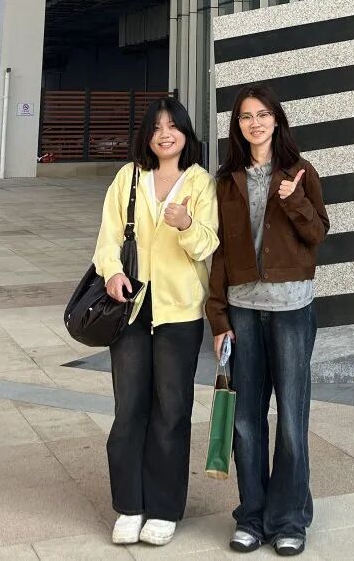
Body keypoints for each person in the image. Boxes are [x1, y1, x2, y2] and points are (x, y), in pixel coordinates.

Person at [206, 84, 329, 556]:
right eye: (245, 117)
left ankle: (290, 519)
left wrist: (293, 200)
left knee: (292, 420)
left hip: (291, 310)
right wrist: (218, 318)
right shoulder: (226, 181)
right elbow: (219, 252)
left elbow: (318, 233)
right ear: (237, 126)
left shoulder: (300, 172)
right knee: (245, 420)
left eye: (262, 115)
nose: (254, 123)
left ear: (277, 120)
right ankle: (252, 517)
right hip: (243, 310)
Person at [92, 96, 219, 547]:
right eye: (157, 127)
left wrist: (185, 224)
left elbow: (208, 245)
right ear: (147, 136)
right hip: (130, 307)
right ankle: (130, 504)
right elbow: (108, 237)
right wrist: (112, 272)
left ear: (186, 133)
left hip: (179, 311)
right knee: (129, 408)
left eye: (173, 126)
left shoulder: (200, 182)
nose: (165, 134)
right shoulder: (128, 177)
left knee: (172, 410)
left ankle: (164, 508)